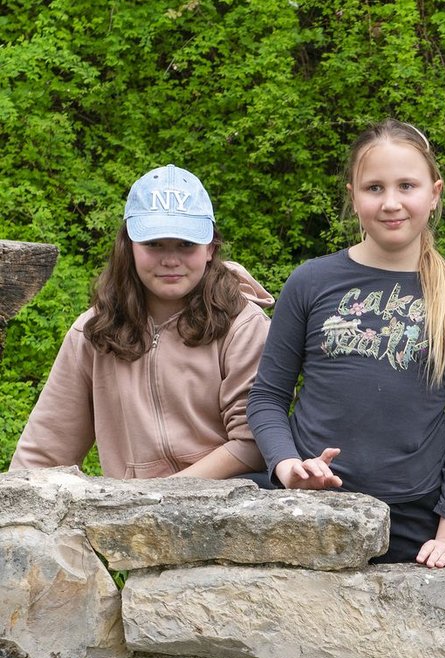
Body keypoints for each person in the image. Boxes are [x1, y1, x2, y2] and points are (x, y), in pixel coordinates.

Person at [248, 119, 445, 566]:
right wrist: (286, 467)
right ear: (353, 196)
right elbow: (266, 398)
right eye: (374, 188)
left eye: (407, 186)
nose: (391, 202)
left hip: (413, 521)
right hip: (308, 506)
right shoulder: (311, 281)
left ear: (434, 194)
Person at [10, 164, 272, 480]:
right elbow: (44, 452)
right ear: (129, 246)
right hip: (129, 517)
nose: (170, 259)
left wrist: (162, 494)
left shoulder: (244, 325)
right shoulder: (92, 331)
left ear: (210, 248)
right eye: (154, 243)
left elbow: (252, 442)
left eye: (186, 244)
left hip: (228, 508)